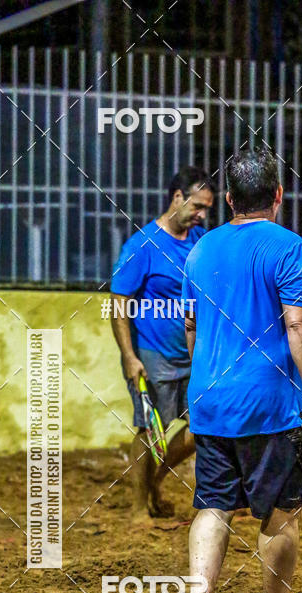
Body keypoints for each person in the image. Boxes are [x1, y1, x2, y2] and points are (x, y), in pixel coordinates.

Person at [182, 147, 302, 593]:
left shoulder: (201, 249)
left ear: (227, 199)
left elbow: (191, 327)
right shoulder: (288, 246)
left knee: (213, 506)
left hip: (209, 400)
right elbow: (299, 327)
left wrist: (202, 383)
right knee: (282, 512)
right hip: (269, 406)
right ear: (279, 196)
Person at [110, 167, 215, 519]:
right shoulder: (142, 246)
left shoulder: (202, 243)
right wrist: (129, 355)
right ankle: (139, 509)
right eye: (198, 206)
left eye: (207, 209)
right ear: (177, 198)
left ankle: (155, 480)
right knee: (146, 428)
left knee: (203, 425)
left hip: (192, 353)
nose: (202, 215)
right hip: (152, 355)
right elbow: (119, 302)